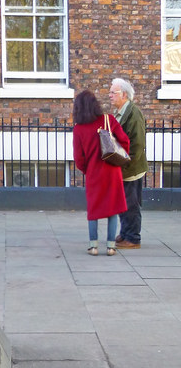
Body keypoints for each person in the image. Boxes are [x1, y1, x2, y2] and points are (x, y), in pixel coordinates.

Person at [72, 89, 130, 256]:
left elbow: (79, 158)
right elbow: (125, 141)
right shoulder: (108, 120)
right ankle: (111, 247)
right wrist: (118, 159)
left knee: (93, 210)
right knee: (113, 209)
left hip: (93, 173)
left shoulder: (78, 129)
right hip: (112, 172)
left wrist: (88, 170)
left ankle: (93, 246)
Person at [109, 77, 148, 249]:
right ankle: (125, 233)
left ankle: (133, 238)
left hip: (130, 169)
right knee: (122, 203)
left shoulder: (133, 113)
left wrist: (123, 165)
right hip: (122, 166)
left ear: (123, 94)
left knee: (131, 204)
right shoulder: (120, 112)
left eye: (113, 92)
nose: (110, 95)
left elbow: (137, 145)